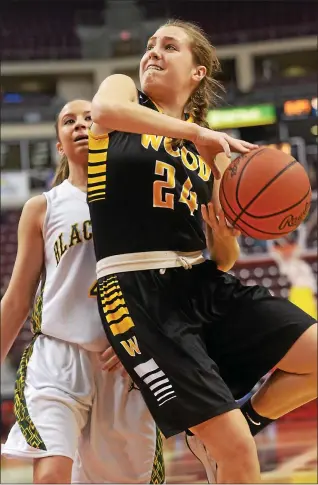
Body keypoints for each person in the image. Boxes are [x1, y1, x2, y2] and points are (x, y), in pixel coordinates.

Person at [87, 19, 317, 484]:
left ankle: (251, 417)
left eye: (169, 47)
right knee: (234, 452)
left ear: (197, 73)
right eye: (150, 45)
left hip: (201, 282)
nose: (153, 52)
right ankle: (234, 433)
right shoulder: (125, 96)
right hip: (138, 289)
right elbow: (104, 110)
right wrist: (195, 136)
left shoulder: (211, 149)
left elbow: (225, 257)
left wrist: (226, 231)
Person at [0, 99, 165, 484]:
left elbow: (165, 284)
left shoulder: (141, 200)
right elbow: (18, 298)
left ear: (108, 130)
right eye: (68, 121)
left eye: (89, 118)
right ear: (60, 144)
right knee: (50, 476)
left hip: (124, 360)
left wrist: (147, 338)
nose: (79, 125)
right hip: (58, 357)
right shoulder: (43, 208)